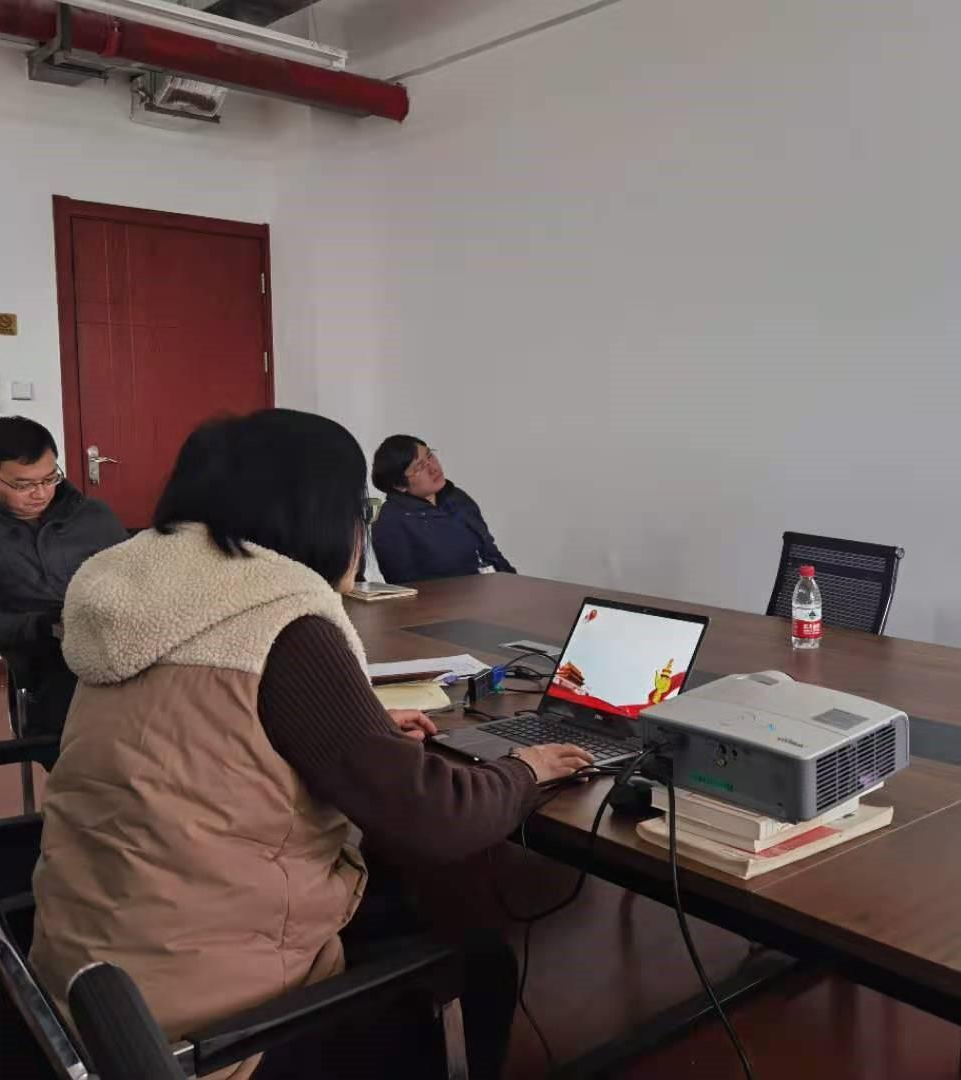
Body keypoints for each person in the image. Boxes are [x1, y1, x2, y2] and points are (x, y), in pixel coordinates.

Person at [30, 409, 591, 1080]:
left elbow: (208, 730)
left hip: (92, 972)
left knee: (398, 890)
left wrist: (352, 726)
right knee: (480, 956)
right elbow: (439, 819)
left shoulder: (144, 599)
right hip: (209, 1030)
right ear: (321, 513)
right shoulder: (281, 621)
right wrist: (526, 769)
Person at [0, 416, 125, 736]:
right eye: (23, 485)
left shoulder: (94, 517)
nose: (41, 493)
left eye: (50, 479)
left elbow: (134, 579)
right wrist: (41, 625)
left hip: (116, 638)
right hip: (42, 655)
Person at [370, 435, 516, 583]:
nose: (433, 468)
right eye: (420, 467)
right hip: (450, 597)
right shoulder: (391, 521)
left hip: (491, 590)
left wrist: (514, 584)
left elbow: (491, 552)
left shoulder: (457, 497)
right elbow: (406, 588)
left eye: (430, 456)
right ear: (399, 485)